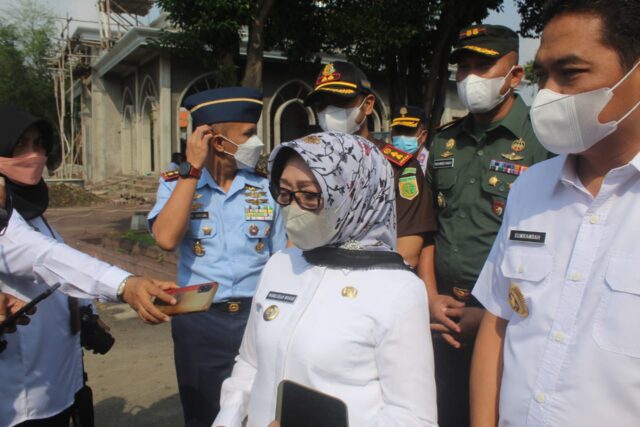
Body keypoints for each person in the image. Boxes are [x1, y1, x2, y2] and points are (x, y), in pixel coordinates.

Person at [471, 1, 640, 426]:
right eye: (543, 75)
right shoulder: (530, 188)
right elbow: (498, 325)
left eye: (570, 73)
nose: (548, 93)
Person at [213, 132, 437, 427]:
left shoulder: (397, 290)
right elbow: (251, 363)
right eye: (284, 193)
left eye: (309, 195)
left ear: (352, 197)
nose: (293, 207)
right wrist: (229, 419)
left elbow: (412, 417)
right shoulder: (280, 265)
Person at [0, 106, 177, 426]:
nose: (33, 155)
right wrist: (124, 285)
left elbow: (59, 263)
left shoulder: (32, 211)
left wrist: (88, 313)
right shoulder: (6, 219)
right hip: (25, 394)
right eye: (19, 145)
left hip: (64, 378)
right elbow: (42, 257)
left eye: (38, 144)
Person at [419, 24, 551, 426]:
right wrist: (429, 295)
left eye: (483, 66)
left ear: (515, 76)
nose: (470, 78)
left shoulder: (543, 140)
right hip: (441, 314)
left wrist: (495, 315)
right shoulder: (445, 141)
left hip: (509, 320)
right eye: (464, 69)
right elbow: (428, 227)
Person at [148, 87, 286, 427]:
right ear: (218, 143)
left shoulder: (264, 188)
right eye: (249, 135)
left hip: (256, 319)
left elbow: (282, 258)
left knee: (260, 411)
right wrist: (192, 172)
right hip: (200, 322)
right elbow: (165, 238)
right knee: (204, 415)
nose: (257, 143)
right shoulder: (176, 183)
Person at [386, 105, 437, 268]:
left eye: (407, 132)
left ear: (422, 136)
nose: (401, 137)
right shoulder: (385, 165)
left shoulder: (433, 164)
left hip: (430, 248)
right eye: (397, 132)